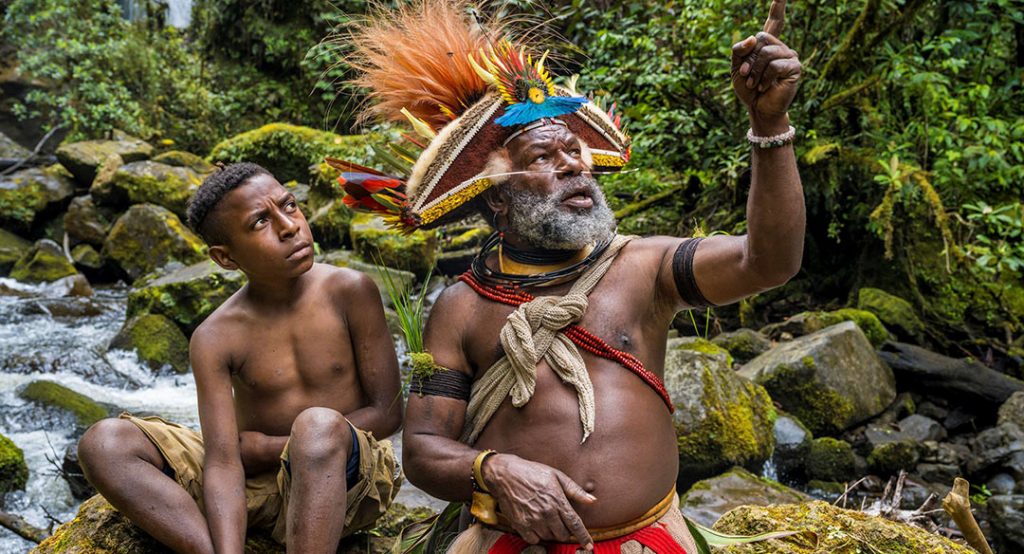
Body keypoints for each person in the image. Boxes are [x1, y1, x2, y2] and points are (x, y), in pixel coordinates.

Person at [334, 0, 802, 551]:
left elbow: (767, 262)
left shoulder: (645, 267)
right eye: (544, 156)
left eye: (575, 150)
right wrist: (496, 470)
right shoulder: (461, 306)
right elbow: (423, 451)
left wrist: (769, 124)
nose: (575, 163)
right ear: (500, 197)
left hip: (647, 540)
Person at [76, 162, 404, 554]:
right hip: (254, 487)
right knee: (104, 442)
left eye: (291, 206)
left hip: (344, 481)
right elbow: (223, 462)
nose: (290, 226)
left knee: (316, 426)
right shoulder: (214, 336)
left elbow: (387, 413)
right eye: (261, 222)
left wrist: (271, 447)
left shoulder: (350, 291)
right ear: (225, 258)